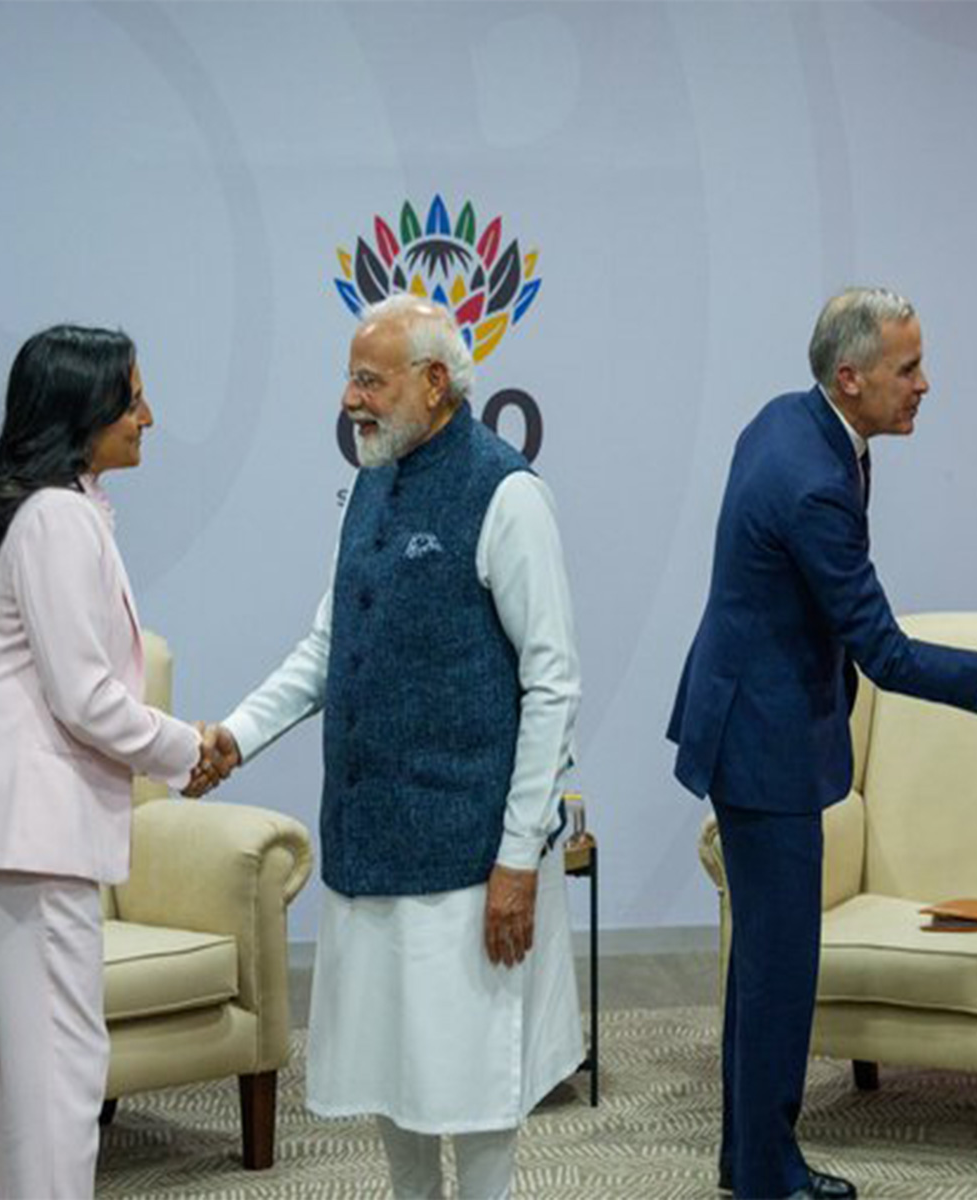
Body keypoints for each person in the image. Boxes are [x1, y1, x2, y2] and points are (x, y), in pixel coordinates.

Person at [666, 287, 977, 1200]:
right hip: (761, 737)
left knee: (765, 962)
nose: (926, 385)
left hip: (752, 714)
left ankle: (748, 1159)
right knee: (779, 968)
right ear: (849, 378)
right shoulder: (812, 480)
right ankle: (769, 1174)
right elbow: (883, 651)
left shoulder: (794, 423)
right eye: (908, 369)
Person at [189, 294, 583, 1200]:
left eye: (369, 379)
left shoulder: (507, 493)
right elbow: (329, 647)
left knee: (478, 1088)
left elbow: (553, 683)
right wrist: (236, 737)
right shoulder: (371, 482)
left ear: (435, 383)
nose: (349, 399)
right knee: (393, 1086)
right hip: (371, 847)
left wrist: (519, 857)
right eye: (350, 378)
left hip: (469, 861)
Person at [0, 325, 217, 1198]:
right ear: (83, 414)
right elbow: (83, 698)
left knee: (11, 1081)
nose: (148, 417)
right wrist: (189, 750)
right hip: (29, 838)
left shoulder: (27, 509)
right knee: (57, 1081)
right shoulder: (57, 519)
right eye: (132, 400)